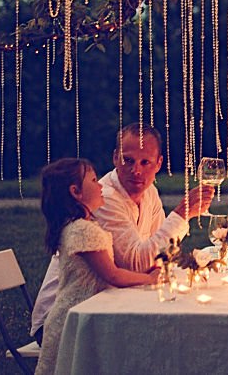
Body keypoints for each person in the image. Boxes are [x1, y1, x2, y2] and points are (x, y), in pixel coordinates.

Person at [31, 124, 211, 342]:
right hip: (67, 317)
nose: (136, 171)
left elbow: (161, 257)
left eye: (145, 162)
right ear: (115, 158)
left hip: (107, 302)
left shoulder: (150, 192)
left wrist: (155, 265)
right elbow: (136, 263)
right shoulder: (103, 197)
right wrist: (182, 214)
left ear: (158, 164)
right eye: (128, 160)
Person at [34, 158, 159, 375]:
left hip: (85, 314)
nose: (100, 185)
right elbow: (113, 275)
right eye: (93, 180)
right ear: (76, 192)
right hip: (74, 321)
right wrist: (151, 279)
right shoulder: (84, 231)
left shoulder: (79, 226)